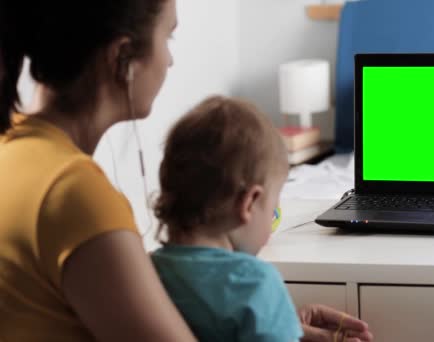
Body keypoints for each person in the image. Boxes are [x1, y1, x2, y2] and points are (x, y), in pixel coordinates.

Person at [0, 1, 371, 341]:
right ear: (122, 57)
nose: (170, 60)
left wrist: (278, 326)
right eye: (169, 36)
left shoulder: (13, 149)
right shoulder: (76, 195)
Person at [151, 96, 373, 342]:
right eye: (273, 206)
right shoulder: (255, 284)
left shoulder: (148, 272)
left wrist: (286, 326)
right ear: (249, 203)